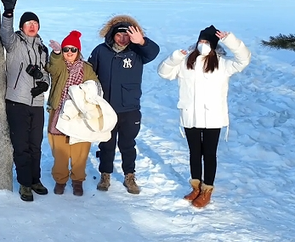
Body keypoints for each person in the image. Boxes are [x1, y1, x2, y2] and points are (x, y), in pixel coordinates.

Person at [157, 25, 250, 208]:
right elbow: (164, 73)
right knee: (194, 153)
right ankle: (195, 187)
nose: (203, 44)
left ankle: (207, 190)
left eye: (207, 41)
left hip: (212, 116)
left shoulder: (223, 64)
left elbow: (244, 59)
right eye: (201, 40)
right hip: (190, 115)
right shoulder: (186, 62)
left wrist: (230, 40)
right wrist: (174, 58)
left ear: (214, 44)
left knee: (209, 154)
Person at [88, 15, 160, 195]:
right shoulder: (101, 51)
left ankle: (129, 176)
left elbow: (154, 52)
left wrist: (141, 41)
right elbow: (89, 72)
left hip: (130, 108)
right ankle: (105, 175)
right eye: (119, 35)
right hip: (107, 108)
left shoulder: (137, 52)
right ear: (112, 35)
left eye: (126, 35)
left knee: (127, 144)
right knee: (106, 144)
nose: (122, 39)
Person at [0, 0, 50, 202]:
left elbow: (46, 72)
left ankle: (36, 179)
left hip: (37, 102)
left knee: (35, 145)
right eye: (28, 23)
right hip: (17, 101)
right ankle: (25, 184)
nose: (32, 26)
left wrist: (43, 83)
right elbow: (5, 34)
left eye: (35, 23)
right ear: (22, 27)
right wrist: (8, 13)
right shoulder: (15, 43)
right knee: (21, 146)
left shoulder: (42, 48)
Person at [45, 31, 105, 196]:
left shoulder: (86, 68)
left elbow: (95, 87)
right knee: (60, 151)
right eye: (66, 49)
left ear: (78, 51)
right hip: (59, 113)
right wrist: (56, 53)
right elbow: (53, 66)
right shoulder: (59, 66)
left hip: (80, 116)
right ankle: (60, 180)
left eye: (73, 49)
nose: (69, 52)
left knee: (80, 151)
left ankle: (78, 180)